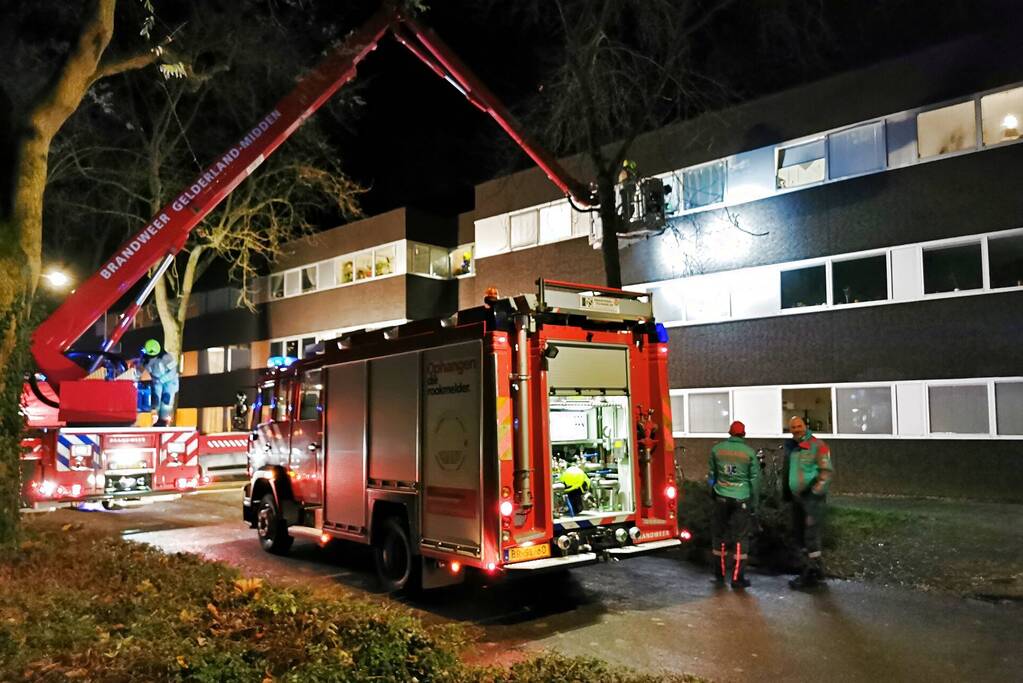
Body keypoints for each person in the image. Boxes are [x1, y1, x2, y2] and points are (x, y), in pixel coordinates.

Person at [784, 415, 834, 590]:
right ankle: (815, 572)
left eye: (799, 426)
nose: (796, 430)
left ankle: (811, 575)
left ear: (805, 426)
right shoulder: (794, 448)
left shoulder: (818, 445)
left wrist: (815, 492)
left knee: (810, 536)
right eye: (793, 427)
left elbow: (826, 472)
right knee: (801, 536)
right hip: (798, 499)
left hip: (812, 499)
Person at [708, 420, 760, 588]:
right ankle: (738, 578)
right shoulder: (749, 453)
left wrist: (713, 491)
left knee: (719, 535)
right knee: (740, 538)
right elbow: (755, 480)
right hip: (741, 499)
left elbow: (712, 475)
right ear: (744, 434)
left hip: (721, 498)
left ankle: (720, 574)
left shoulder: (717, 450)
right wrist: (754, 503)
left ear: (729, 432)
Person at [138, 339, 179, 427]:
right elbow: (139, 370)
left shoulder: (167, 357)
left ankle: (163, 421)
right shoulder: (145, 359)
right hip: (157, 381)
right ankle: (156, 419)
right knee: (155, 401)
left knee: (166, 401)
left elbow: (173, 371)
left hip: (170, 382)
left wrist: (162, 380)